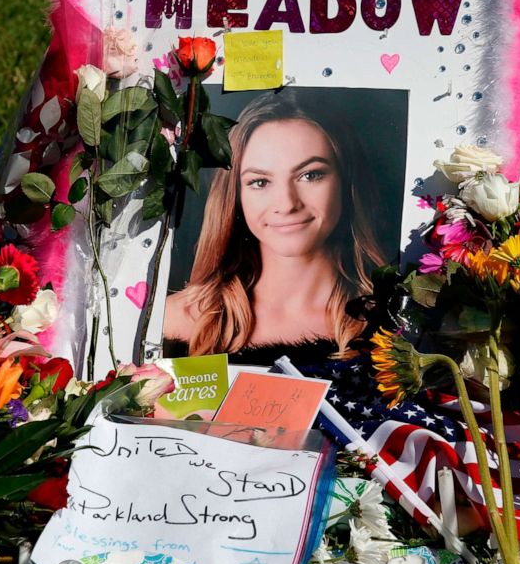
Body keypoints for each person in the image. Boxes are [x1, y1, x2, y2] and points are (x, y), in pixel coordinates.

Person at [163, 90, 387, 364]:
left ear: (346, 182)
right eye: (260, 182)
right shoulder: (173, 320)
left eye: (310, 175)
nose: (287, 203)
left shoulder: (390, 324)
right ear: (235, 196)